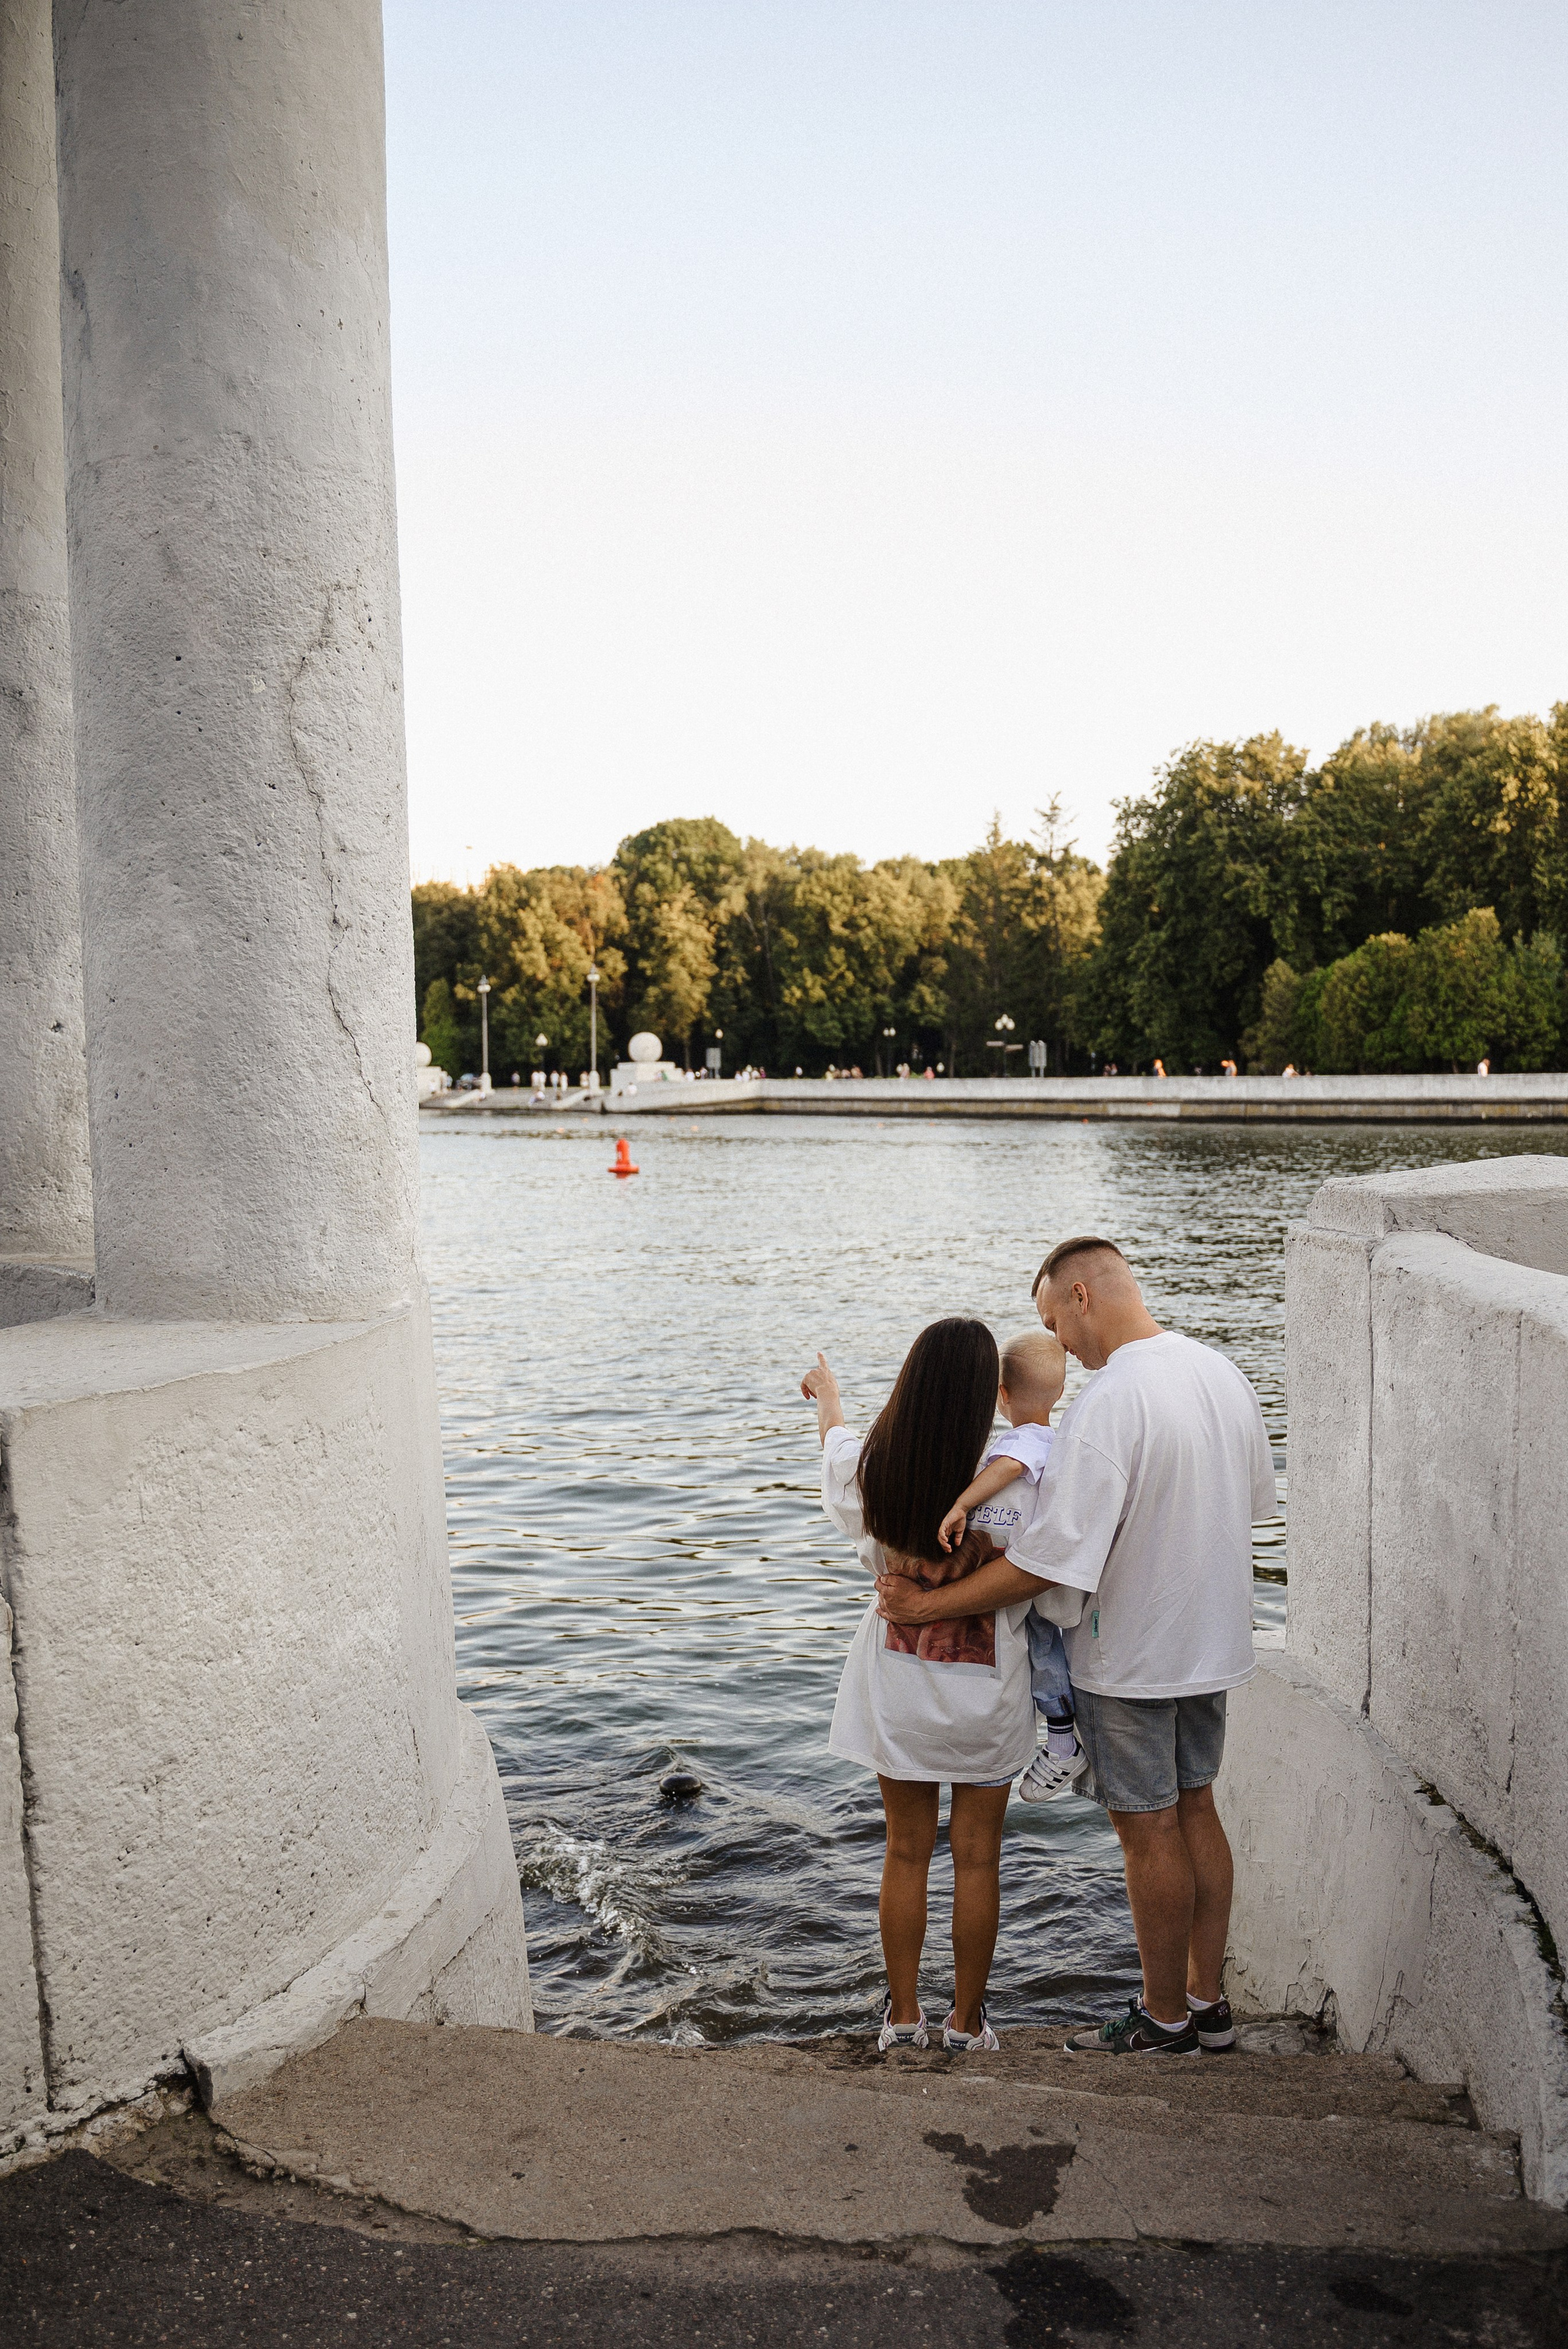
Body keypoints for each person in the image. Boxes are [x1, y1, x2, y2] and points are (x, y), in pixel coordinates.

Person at [876, 1237, 1275, 2059]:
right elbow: (1254, 1505)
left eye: (1053, 1319)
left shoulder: (1110, 1400)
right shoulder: (1220, 1373)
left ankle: (1163, 2019)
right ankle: (1208, 2002)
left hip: (1130, 1652)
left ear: (1081, 1294)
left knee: (1147, 1829)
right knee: (1197, 1806)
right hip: (1212, 1639)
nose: (1058, 1342)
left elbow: (1043, 1564)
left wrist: (930, 1604)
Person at [801, 1322, 1040, 2057]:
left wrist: (829, 1394)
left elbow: (836, 1445)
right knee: (979, 1859)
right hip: (989, 1699)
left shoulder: (875, 1470)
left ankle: (903, 2017)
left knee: (904, 1850)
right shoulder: (1020, 1481)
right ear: (989, 1395)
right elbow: (1054, 1585)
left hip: (898, 1692)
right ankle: (966, 2023)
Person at [935, 1330, 1087, 1803]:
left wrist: (961, 1503)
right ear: (1060, 1392)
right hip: (1039, 1567)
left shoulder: (1025, 1442)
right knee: (1042, 1649)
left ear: (1001, 1393)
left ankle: (1063, 1741)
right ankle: (1055, 1733)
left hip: (1027, 1576)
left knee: (1042, 1649)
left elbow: (1008, 1468)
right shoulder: (1057, 1439)